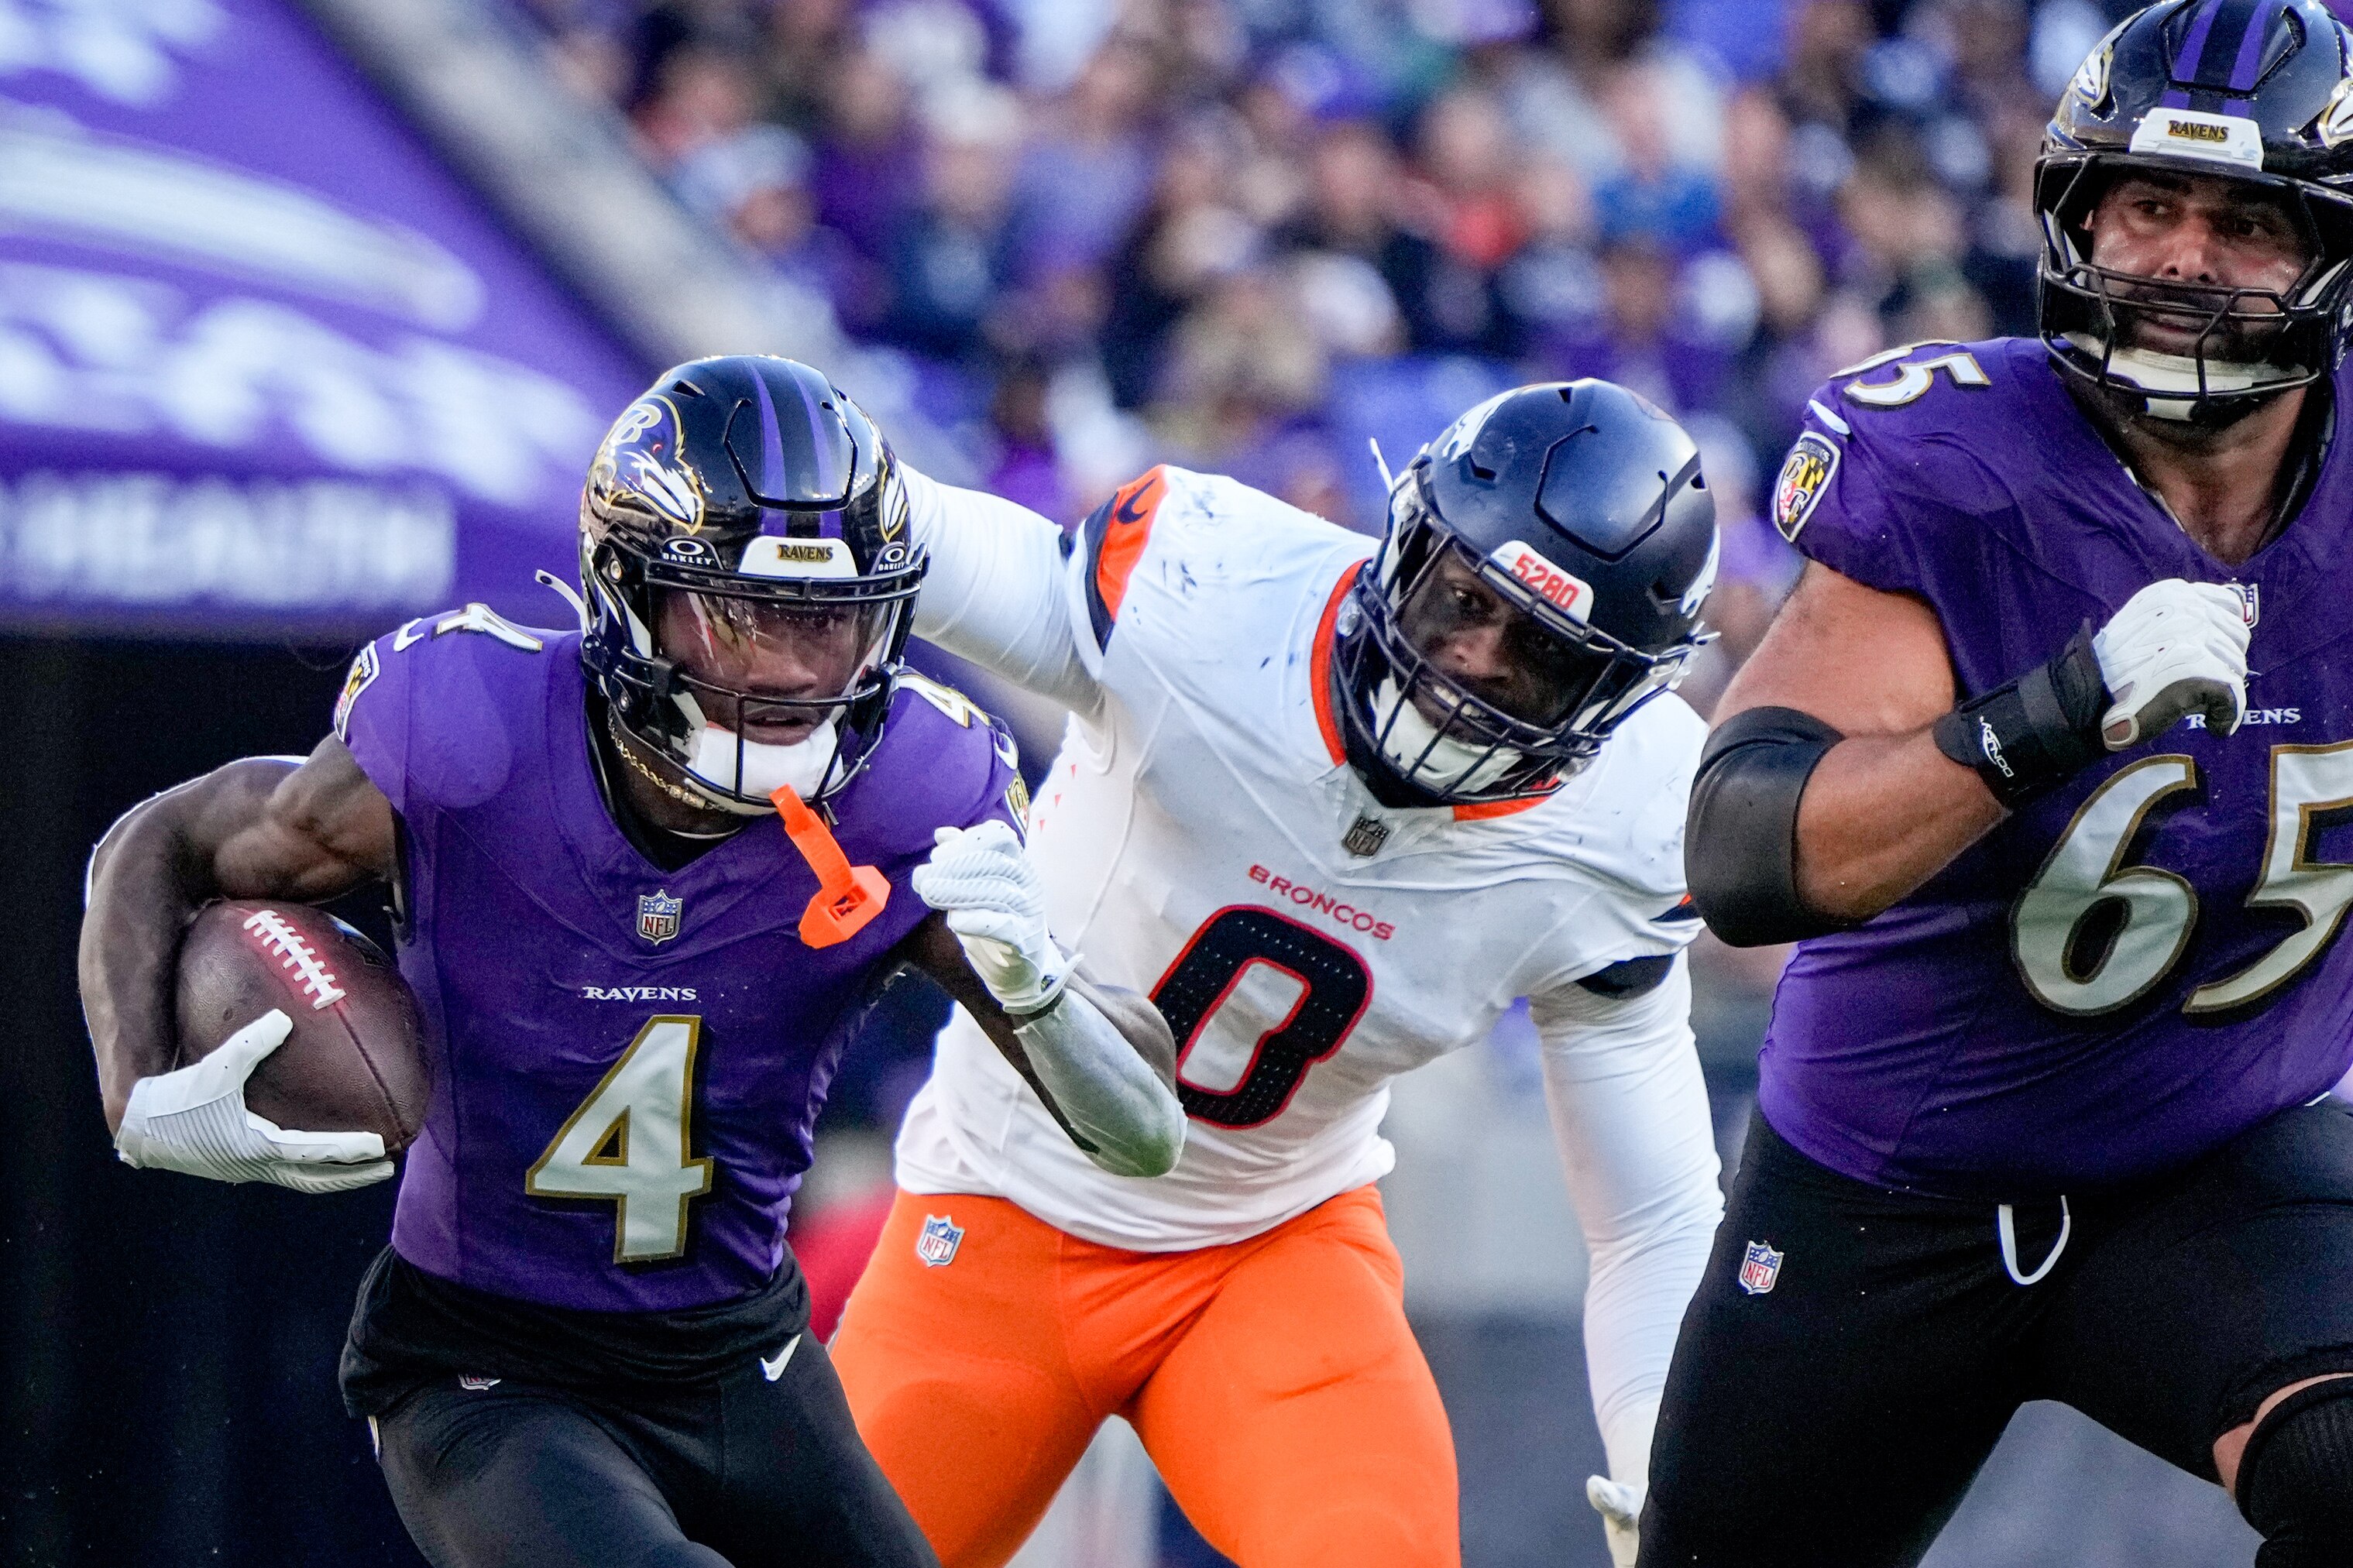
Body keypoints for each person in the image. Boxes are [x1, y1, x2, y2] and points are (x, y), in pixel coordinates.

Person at [76, 355, 1183, 1568]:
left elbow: (1142, 1131)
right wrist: (135, 1085)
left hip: (739, 1356)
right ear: (630, 589)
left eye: (835, 617)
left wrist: (1039, 985)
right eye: (749, 612)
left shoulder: (916, 792)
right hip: (487, 1364)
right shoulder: (469, 735)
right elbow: (165, 838)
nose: (798, 674)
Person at [826, 376, 1729, 1568]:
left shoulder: (1628, 817)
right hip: (996, 1210)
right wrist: (809, 497)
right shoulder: (1211, 592)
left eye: (1539, 658)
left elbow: (1651, 1212)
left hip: (1268, 1253)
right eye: (1462, 597)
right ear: (1409, 538)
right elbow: (919, 544)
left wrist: (1672, 1476)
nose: (1470, 657)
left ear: (1613, 697)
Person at [1663, 5, 2353, 1563]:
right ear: (2074, 214)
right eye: (2148, 204)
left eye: (2246, 220)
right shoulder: (1965, 460)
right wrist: (2049, 713)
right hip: (1888, 1186)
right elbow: (1742, 847)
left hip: (2210, 1160)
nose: (2183, 256)